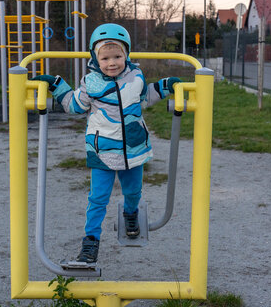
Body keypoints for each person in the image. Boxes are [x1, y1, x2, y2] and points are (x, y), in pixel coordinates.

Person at [33, 23, 180, 264]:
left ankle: (130, 213)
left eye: (118, 56)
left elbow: (144, 98)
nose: (112, 63)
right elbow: (74, 105)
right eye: (105, 58)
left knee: (133, 191)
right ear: (95, 58)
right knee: (97, 198)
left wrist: (164, 86)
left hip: (133, 149)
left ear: (127, 55)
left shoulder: (136, 77)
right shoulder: (90, 83)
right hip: (102, 151)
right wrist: (57, 85)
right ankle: (90, 242)